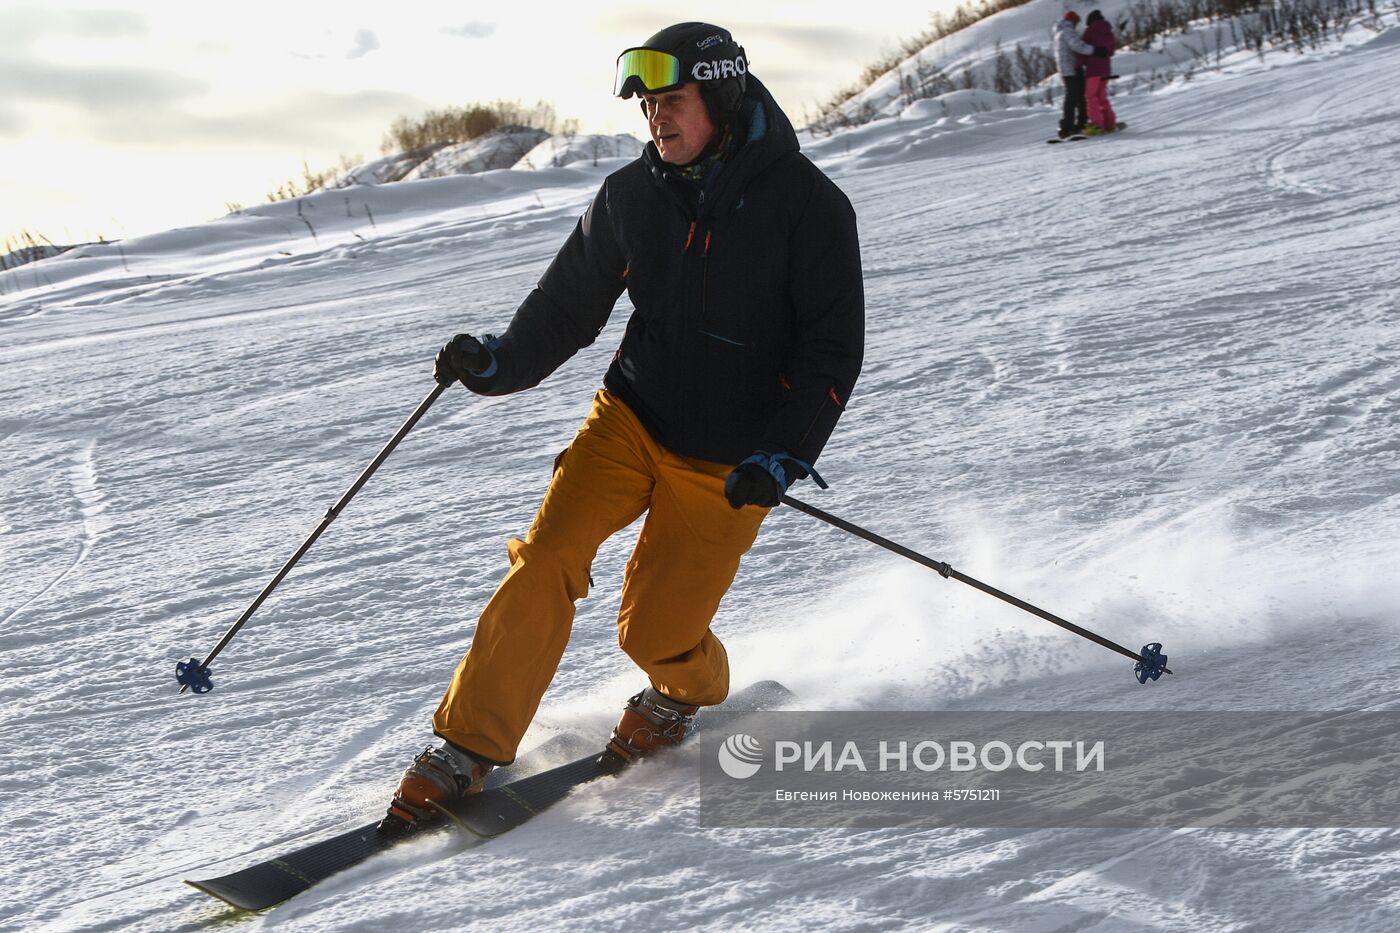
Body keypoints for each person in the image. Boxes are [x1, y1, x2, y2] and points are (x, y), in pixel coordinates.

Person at [379, 22, 865, 833]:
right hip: (631, 417)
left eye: (672, 101)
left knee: (656, 628)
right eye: (647, 105)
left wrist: (783, 453)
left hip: (728, 454)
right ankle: (464, 748)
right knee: (545, 559)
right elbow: (565, 310)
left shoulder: (809, 207)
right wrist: (497, 364)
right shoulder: (631, 196)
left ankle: (685, 691)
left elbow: (831, 353)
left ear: (719, 96)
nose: (656, 120)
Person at [1052, 11, 1103, 139]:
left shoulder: (1059, 32)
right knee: (1074, 97)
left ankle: (1076, 124)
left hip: (1066, 69)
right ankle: (1069, 126)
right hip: (1071, 69)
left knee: (1077, 96)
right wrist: (1095, 50)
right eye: (1077, 22)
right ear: (1073, 21)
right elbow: (1077, 46)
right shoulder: (1067, 31)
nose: (1077, 25)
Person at [1080, 10, 1119, 134]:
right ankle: (1110, 123)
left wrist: (1081, 63)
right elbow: (1111, 51)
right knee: (1102, 97)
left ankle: (1097, 125)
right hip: (1105, 69)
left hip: (1093, 69)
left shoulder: (1090, 31)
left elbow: (1083, 49)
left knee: (1091, 97)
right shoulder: (1109, 32)